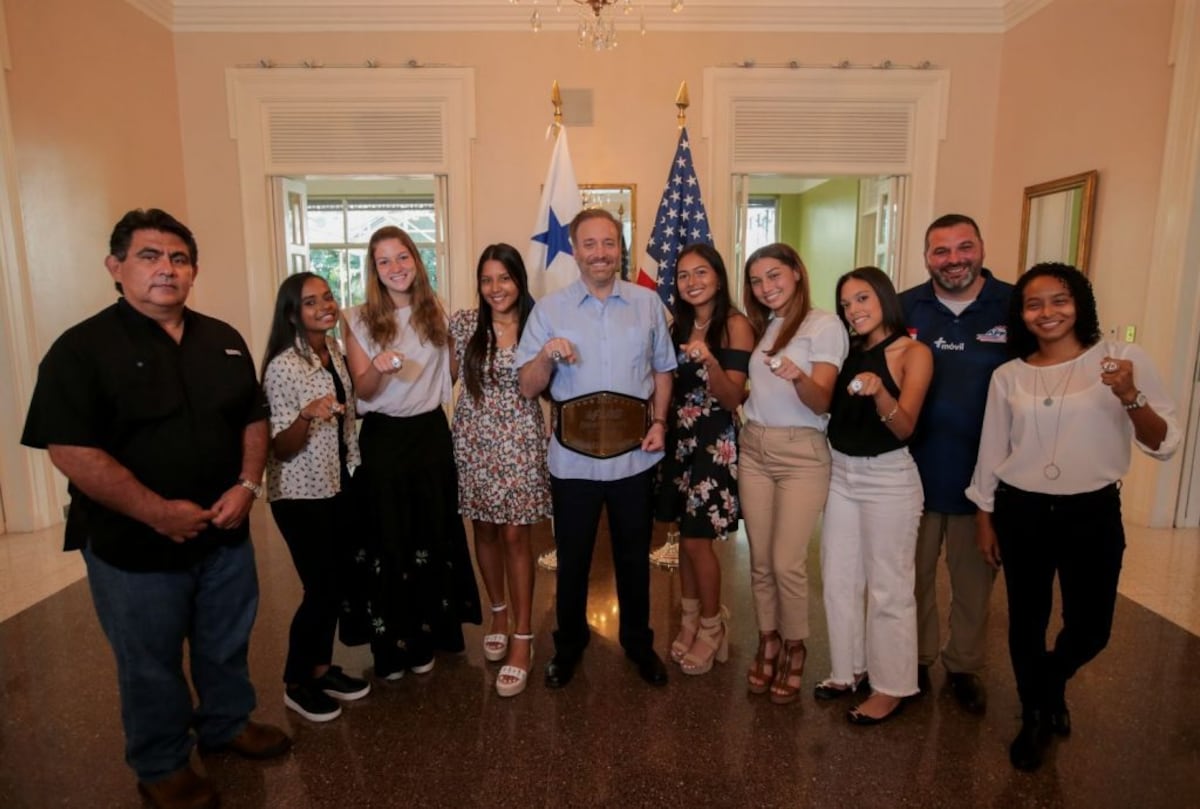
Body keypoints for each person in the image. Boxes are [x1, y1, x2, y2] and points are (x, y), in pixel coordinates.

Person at [20, 209, 291, 809]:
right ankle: (162, 762)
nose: (165, 269)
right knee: (149, 660)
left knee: (226, 638)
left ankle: (227, 722)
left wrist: (248, 485)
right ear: (116, 267)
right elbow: (68, 447)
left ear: (193, 271)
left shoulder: (222, 338)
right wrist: (155, 512)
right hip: (133, 544)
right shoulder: (81, 349)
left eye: (178, 258)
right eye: (149, 256)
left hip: (224, 533)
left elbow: (252, 415)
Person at [966, 262, 1180, 771]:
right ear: (1021, 314)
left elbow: (1163, 443)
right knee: (1027, 620)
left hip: (1093, 511)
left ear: (1080, 302)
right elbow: (992, 450)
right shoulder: (1009, 376)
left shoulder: (1122, 360)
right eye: (1034, 304)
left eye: (1059, 299)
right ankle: (1035, 714)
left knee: (1092, 627)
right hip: (1022, 510)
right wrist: (984, 517)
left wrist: (1130, 396)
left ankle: (1051, 681)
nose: (1048, 312)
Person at [516, 208, 676, 689]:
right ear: (575, 249)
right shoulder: (549, 310)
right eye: (590, 244)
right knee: (574, 558)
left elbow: (664, 371)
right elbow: (527, 386)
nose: (600, 253)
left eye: (609, 243)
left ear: (620, 247)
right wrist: (545, 354)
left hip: (633, 457)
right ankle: (568, 646)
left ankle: (638, 643)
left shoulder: (648, 304)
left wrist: (661, 422)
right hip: (573, 461)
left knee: (633, 557)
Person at [343, 226, 481, 680]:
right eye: (384, 261)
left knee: (431, 534)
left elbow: (451, 376)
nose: (396, 268)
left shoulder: (436, 313)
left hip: (429, 433)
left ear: (416, 261)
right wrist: (379, 369)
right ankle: (391, 644)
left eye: (402, 257)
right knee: (390, 539)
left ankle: (429, 637)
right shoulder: (358, 319)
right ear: (374, 270)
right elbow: (361, 391)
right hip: (383, 438)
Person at [899, 213, 1013, 713]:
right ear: (927, 258)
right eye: (940, 251)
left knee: (973, 583)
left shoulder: (1013, 305)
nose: (953, 260)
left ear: (982, 248)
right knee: (913, 576)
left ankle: (964, 667)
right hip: (913, 475)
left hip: (985, 480)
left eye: (963, 247)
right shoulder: (905, 307)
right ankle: (917, 660)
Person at [817, 267, 933, 724]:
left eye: (863, 298)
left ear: (884, 297)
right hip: (842, 474)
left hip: (888, 478)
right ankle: (849, 669)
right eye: (846, 304)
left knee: (889, 587)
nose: (854, 310)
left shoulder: (913, 352)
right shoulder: (850, 351)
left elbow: (905, 427)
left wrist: (881, 391)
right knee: (839, 577)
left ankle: (892, 687)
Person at [739, 243, 848, 705]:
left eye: (775, 276)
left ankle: (796, 646)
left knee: (786, 561)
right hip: (755, 446)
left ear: (797, 274)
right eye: (758, 281)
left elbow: (823, 400)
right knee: (760, 561)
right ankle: (767, 640)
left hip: (801, 453)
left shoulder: (824, 325)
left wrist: (797, 376)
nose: (767, 287)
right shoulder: (766, 326)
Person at [262, 272, 371, 722]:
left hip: (337, 482)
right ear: (292, 313)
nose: (325, 306)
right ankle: (296, 682)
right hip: (300, 493)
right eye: (311, 302)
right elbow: (280, 446)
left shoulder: (335, 354)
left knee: (336, 582)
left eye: (327, 297)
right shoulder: (283, 366)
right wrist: (307, 415)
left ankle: (322, 668)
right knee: (320, 586)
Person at [450, 244, 551, 698]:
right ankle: (498, 610)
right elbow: (442, 375)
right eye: (487, 280)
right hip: (473, 441)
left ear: (519, 281)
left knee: (515, 535)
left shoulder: (537, 324)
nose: (496, 289)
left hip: (521, 442)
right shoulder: (465, 324)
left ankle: (524, 635)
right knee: (485, 529)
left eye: (504, 279)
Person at [654, 243, 753, 675]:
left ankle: (713, 626)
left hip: (714, 439)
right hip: (680, 439)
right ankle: (691, 620)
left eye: (701, 273)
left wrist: (710, 360)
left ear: (718, 275)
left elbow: (732, 397)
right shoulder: (677, 325)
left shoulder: (734, 325)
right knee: (684, 538)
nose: (692, 282)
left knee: (698, 539)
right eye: (683, 275)